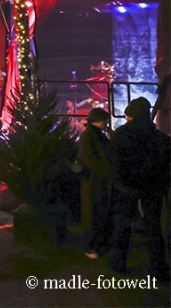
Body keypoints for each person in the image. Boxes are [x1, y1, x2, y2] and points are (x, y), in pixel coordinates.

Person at [107, 98, 171, 281]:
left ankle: (119, 263)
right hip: (153, 187)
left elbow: (113, 163)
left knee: (123, 225)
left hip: (127, 187)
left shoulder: (120, 135)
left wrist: (120, 182)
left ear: (131, 114)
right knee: (154, 227)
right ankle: (157, 268)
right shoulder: (160, 138)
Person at [78, 108, 112, 259]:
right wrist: (106, 171)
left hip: (94, 181)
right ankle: (91, 246)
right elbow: (90, 158)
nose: (107, 123)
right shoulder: (92, 136)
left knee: (93, 213)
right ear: (99, 120)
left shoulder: (90, 135)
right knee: (93, 213)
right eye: (105, 120)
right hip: (94, 181)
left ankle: (94, 245)